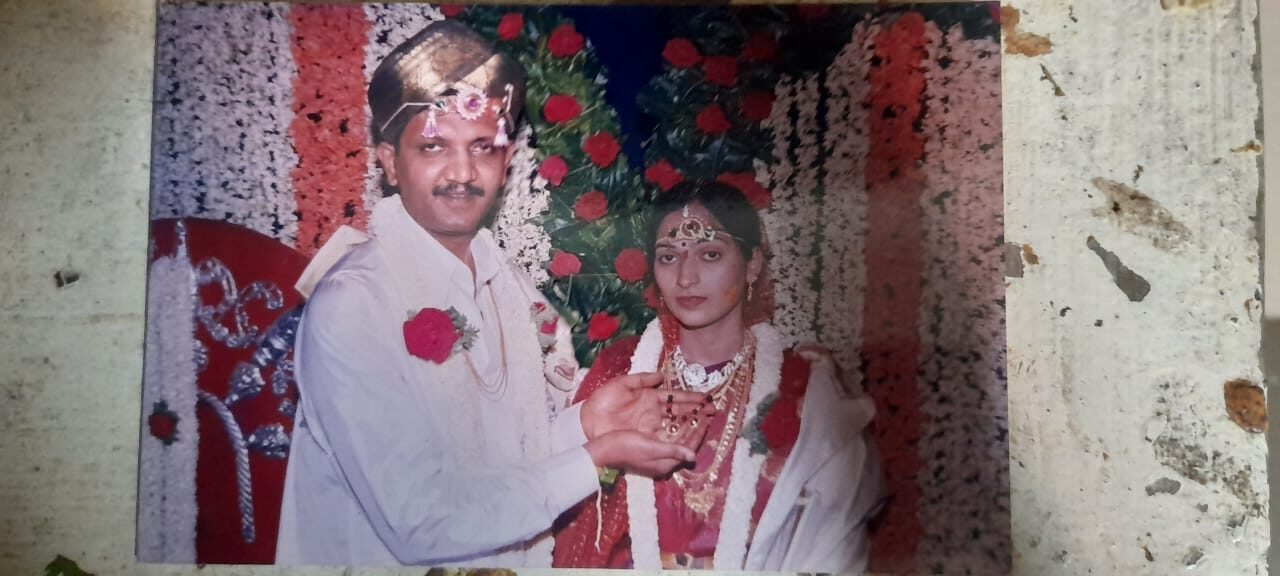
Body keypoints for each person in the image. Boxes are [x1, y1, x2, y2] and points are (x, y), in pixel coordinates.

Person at [276, 20, 707, 567]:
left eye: (482, 148)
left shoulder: (508, 285)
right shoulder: (354, 305)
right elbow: (421, 521)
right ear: (388, 162)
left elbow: (496, 462)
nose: (462, 172)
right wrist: (595, 456)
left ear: (505, 164)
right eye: (434, 146)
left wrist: (587, 424)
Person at [552, 180, 885, 572]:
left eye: (709, 255)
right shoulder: (622, 372)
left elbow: (832, 544)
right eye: (668, 257)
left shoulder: (802, 389)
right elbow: (557, 493)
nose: (686, 277)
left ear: (753, 264)